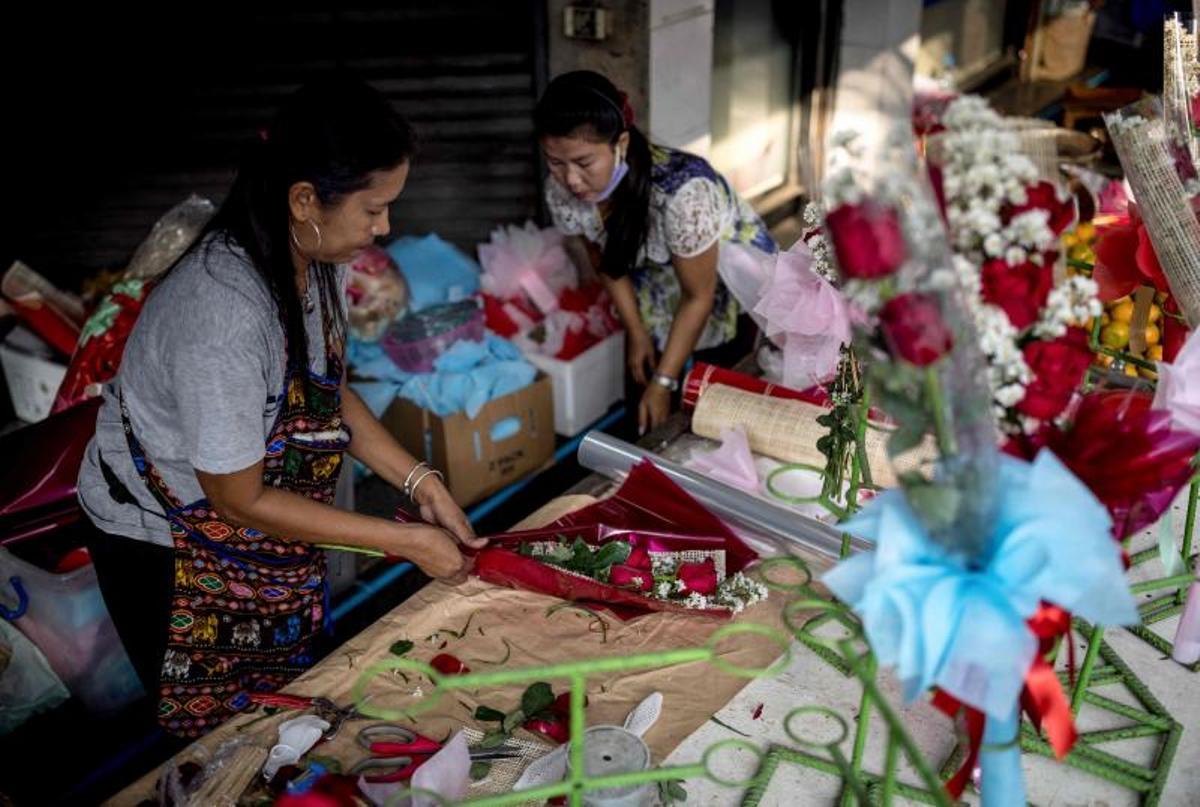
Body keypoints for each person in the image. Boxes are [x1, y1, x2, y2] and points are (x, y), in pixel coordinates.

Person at [76, 74, 485, 738]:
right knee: (219, 738)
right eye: (374, 208)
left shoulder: (316, 254)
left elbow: (326, 392)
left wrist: (420, 481)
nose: (386, 227)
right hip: (171, 541)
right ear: (304, 199)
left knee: (284, 711)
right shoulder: (225, 315)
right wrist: (406, 539)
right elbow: (237, 498)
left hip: (254, 525)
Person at [534, 70, 777, 434]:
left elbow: (699, 296)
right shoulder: (564, 192)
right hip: (655, 280)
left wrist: (663, 382)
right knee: (643, 389)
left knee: (711, 404)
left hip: (721, 281)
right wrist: (637, 331)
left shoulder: (684, 194)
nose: (570, 180)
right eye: (555, 162)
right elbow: (605, 259)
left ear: (621, 144)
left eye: (584, 163)